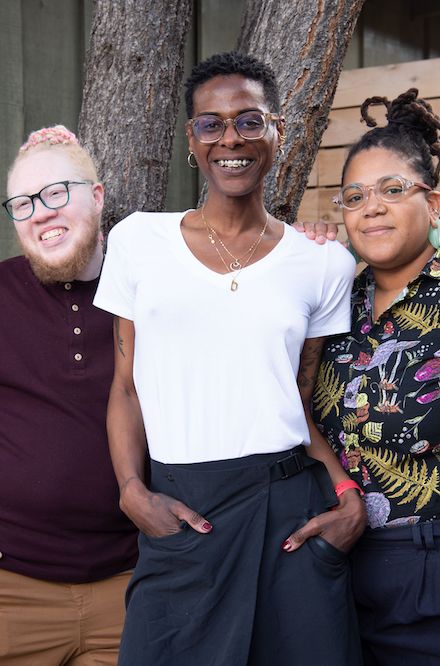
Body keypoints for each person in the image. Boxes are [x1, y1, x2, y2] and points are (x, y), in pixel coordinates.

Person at [94, 51, 366, 666]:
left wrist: (346, 496)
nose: (230, 140)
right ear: (192, 139)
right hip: (183, 510)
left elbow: (298, 398)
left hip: (290, 515)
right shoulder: (140, 241)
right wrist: (131, 489)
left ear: (276, 133)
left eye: (248, 121)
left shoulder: (322, 262)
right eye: (210, 124)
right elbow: (126, 388)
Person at [310, 89, 440, 665]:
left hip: (427, 567)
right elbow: (289, 404)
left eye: (393, 190)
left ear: (434, 204)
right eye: (355, 197)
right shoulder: (331, 299)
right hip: (332, 565)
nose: (371, 208)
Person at [0, 126, 138, 665]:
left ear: (97, 196)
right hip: (13, 591)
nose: (40, 212)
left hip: (128, 585)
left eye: (57, 192)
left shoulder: (149, 284)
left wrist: (310, 239)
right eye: (22, 202)